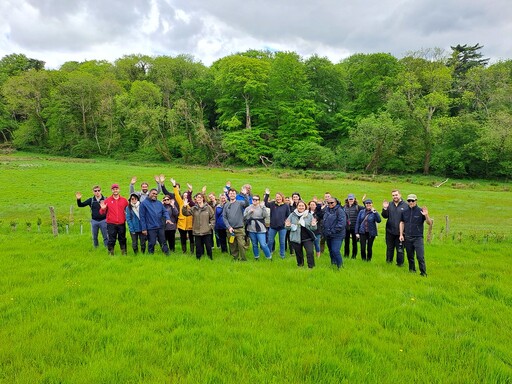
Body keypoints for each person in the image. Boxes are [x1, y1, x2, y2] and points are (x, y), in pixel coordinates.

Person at [399, 194, 432, 276]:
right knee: (410, 256)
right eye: (409, 201)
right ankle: (412, 270)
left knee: (420, 256)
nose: (411, 202)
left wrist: (426, 215)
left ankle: (423, 273)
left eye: (412, 201)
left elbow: (429, 223)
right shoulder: (404, 211)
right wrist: (401, 234)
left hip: (418, 237)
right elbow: (402, 222)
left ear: (416, 201)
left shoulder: (420, 211)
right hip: (407, 237)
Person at [160, 176, 195, 254]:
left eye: (187, 196)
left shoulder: (192, 204)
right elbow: (176, 194)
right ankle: (184, 251)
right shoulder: (181, 202)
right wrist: (174, 185)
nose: (186, 196)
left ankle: (192, 251)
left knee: (191, 238)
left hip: (190, 224)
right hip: (182, 224)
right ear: (182, 196)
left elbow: (190, 197)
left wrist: (190, 190)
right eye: (184, 195)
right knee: (183, 238)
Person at [182, 192, 215, 259]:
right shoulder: (194, 208)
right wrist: (185, 206)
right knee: (198, 247)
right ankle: (198, 259)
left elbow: (213, 218)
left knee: (208, 247)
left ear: (203, 198)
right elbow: (185, 213)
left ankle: (210, 259)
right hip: (197, 231)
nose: (198, 199)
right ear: (196, 199)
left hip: (206, 231)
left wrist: (211, 226)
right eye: (197, 197)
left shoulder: (208, 207)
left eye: (200, 197)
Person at [285, 200, 318, 268]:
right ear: (297, 207)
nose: (301, 207)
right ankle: (300, 265)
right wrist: (287, 226)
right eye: (299, 206)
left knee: (310, 252)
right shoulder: (292, 215)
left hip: (307, 238)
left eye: (302, 206)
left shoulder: (309, 215)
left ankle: (311, 267)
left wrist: (314, 225)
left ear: (305, 207)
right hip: (296, 237)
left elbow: (313, 228)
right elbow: (287, 227)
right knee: (298, 253)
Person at [99, 184, 129, 256]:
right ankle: (111, 253)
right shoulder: (107, 200)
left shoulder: (124, 200)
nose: (115, 190)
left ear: (119, 190)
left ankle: (124, 252)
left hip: (121, 223)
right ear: (111, 190)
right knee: (112, 239)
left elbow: (128, 210)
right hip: (111, 224)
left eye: (116, 189)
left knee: (122, 238)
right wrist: (103, 209)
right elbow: (101, 212)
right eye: (113, 189)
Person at [139, 188, 171, 255]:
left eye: (156, 194)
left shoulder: (159, 203)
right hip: (150, 227)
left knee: (163, 241)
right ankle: (151, 255)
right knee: (152, 242)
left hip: (160, 226)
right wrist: (144, 229)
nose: (155, 195)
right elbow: (142, 217)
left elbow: (164, 211)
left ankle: (167, 255)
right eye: (153, 193)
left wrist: (167, 218)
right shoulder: (143, 204)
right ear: (149, 193)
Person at [222, 187, 249, 261]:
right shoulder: (226, 205)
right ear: (228, 194)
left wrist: (245, 194)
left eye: (234, 193)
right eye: (231, 193)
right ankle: (235, 258)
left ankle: (243, 259)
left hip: (239, 229)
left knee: (241, 245)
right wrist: (229, 227)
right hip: (230, 230)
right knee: (232, 245)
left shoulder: (240, 203)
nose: (232, 195)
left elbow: (247, 204)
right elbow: (224, 217)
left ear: (236, 194)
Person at [382, 189, 408, 266]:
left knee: (400, 249)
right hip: (390, 231)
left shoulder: (405, 206)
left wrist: (404, 232)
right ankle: (388, 262)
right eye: (393, 195)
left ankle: (400, 264)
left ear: (400, 195)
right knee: (389, 248)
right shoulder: (389, 205)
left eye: (396, 195)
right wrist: (385, 208)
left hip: (401, 232)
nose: (395, 197)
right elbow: (384, 216)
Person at [319, 197, 346, 269]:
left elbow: (341, 224)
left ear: (336, 202)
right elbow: (323, 219)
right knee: (331, 250)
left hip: (337, 235)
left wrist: (332, 231)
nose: (330, 204)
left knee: (335, 250)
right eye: (328, 203)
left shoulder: (340, 211)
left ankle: (340, 266)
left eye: (332, 202)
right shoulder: (327, 210)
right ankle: (333, 264)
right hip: (328, 234)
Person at [263, 189, 290, 259]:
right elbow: (265, 203)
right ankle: (268, 254)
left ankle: (282, 255)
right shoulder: (272, 204)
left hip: (282, 227)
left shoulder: (286, 205)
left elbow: (288, 215)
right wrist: (267, 194)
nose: (278, 198)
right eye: (277, 197)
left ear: (282, 197)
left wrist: (286, 222)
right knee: (270, 241)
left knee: (282, 242)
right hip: (273, 226)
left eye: (279, 197)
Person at [244, 194, 272, 260]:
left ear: (259, 201)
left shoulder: (261, 207)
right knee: (254, 244)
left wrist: (263, 208)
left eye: (256, 200)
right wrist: (249, 212)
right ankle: (256, 257)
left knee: (263, 244)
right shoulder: (248, 207)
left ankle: (269, 257)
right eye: (253, 199)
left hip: (260, 228)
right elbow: (244, 217)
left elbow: (265, 216)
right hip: (251, 228)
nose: (254, 201)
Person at [343, 193, 364, 259]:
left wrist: (364, 201)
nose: (351, 200)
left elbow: (366, 208)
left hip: (355, 227)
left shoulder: (358, 207)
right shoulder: (344, 207)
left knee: (354, 242)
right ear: (348, 199)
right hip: (346, 227)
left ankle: (354, 256)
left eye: (352, 199)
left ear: (354, 199)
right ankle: (346, 255)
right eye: (350, 199)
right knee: (346, 242)